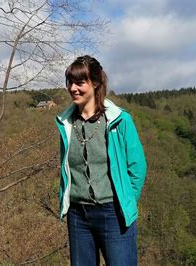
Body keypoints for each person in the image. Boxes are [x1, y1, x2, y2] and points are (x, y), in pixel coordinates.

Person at [55, 55, 147, 265]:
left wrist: (125, 200)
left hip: (113, 212)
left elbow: (137, 167)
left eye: (80, 82)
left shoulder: (119, 120)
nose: (73, 88)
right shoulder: (66, 123)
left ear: (95, 83)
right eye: (70, 82)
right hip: (78, 215)